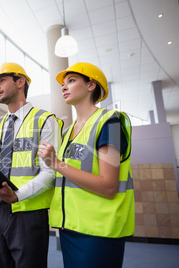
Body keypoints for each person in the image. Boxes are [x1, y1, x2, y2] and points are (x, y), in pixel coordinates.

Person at [38, 62, 135, 268]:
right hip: (70, 229)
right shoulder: (67, 133)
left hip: (99, 232)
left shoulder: (111, 122)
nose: (64, 87)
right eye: (63, 83)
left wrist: (56, 163)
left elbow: (109, 186)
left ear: (91, 85)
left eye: (71, 81)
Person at [0, 63, 63, 267]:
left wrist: (17, 195)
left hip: (28, 213)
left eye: (1, 81)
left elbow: (50, 172)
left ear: (20, 82)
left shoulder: (45, 120)